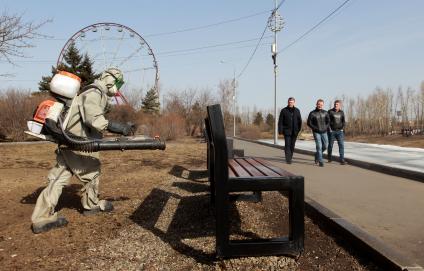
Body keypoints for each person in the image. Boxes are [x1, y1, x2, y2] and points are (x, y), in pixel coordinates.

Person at [31, 67, 135, 234]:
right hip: (78, 143)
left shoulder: (91, 92)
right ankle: (89, 206)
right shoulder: (95, 92)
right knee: (91, 172)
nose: (118, 87)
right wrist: (119, 127)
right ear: (109, 79)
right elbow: (92, 118)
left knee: (60, 177)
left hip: (72, 142)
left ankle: (42, 216)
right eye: (118, 82)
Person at [278, 97, 302, 164]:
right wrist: (280, 130)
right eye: (289, 102)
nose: (290, 103)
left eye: (291, 102)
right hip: (287, 131)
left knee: (292, 145)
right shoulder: (284, 110)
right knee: (287, 145)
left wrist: (298, 130)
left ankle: (290, 157)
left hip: (295, 131)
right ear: (287, 102)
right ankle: (288, 159)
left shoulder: (297, 110)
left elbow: (300, 121)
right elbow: (280, 121)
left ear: (294, 102)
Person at [307, 99, 330, 167]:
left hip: (324, 132)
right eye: (319, 104)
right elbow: (309, 122)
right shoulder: (312, 113)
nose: (320, 105)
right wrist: (315, 128)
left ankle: (317, 155)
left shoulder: (325, 112)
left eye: (321, 104)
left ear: (323, 105)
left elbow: (328, 121)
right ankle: (321, 161)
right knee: (319, 146)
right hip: (316, 132)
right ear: (316, 104)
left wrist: (326, 127)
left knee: (326, 145)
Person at [327, 100, 346, 165]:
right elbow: (327, 121)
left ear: (339, 105)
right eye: (335, 104)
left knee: (341, 145)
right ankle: (329, 158)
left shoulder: (342, 112)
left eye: (337, 104)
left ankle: (342, 159)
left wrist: (342, 129)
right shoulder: (330, 112)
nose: (336, 105)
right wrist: (330, 129)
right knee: (330, 145)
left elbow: (343, 121)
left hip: (340, 132)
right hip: (332, 131)